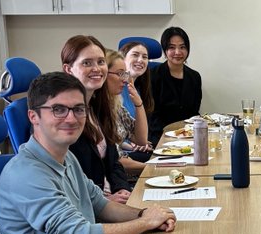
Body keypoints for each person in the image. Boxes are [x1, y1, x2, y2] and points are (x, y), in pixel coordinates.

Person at [0, 71, 176, 234]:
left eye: (79, 109)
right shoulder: (27, 175)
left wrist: (144, 214)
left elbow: (100, 205)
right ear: (34, 116)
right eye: (58, 109)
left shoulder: (64, 156)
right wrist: (144, 223)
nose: (71, 118)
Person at [61, 34, 131, 202]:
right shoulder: (64, 118)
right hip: (90, 209)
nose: (97, 69)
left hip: (112, 198)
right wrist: (104, 202)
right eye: (87, 63)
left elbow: (113, 162)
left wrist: (122, 188)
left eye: (101, 62)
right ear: (68, 69)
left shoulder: (97, 106)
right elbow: (68, 179)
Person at [149, 26, 202, 144]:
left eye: (182, 47)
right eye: (171, 47)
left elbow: (194, 113)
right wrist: (172, 134)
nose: (177, 52)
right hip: (161, 136)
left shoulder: (195, 77)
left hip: (188, 135)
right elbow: (151, 115)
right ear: (165, 50)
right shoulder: (152, 76)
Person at [105, 48, 151, 178]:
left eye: (125, 74)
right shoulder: (95, 111)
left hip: (121, 171)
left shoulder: (115, 103)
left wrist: (139, 104)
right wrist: (152, 169)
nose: (125, 80)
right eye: (120, 74)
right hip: (112, 180)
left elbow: (141, 140)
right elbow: (115, 162)